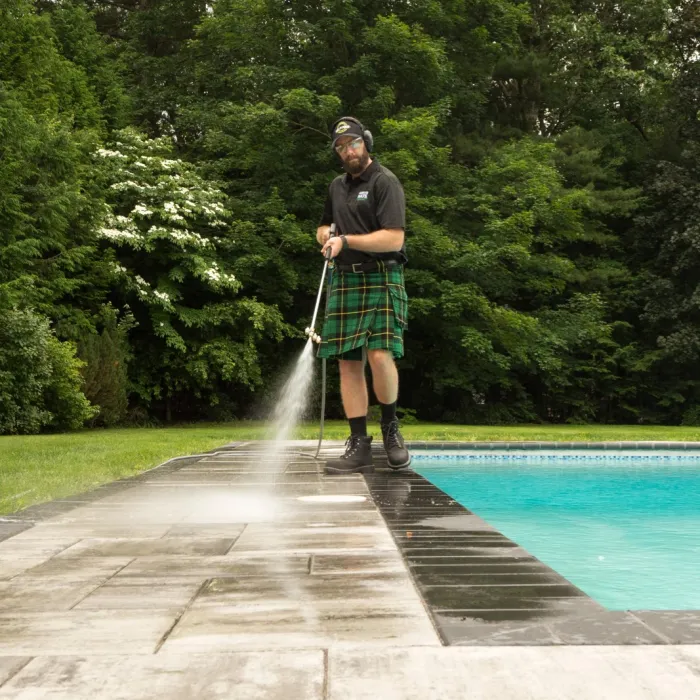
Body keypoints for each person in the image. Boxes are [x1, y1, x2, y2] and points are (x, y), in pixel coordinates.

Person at [316, 116, 411, 474]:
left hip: (382, 276)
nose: (347, 151)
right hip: (345, 279)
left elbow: (393, 238)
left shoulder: (385, 182)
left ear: (366, 142)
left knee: (379, 354)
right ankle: (358, 444)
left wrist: (347, 241)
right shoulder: (336, 187)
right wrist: (325, 236)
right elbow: (323, 224)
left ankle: (390, 429)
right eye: (341, 147)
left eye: (353, 143)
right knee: (346, 360)